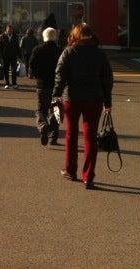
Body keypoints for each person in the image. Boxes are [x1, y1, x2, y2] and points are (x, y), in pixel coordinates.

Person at [53, 23, 114, 190]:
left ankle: (70, 170)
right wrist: (107, 102)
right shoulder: (100, 54)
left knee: (71, 135)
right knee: (90, 137)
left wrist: (55, 94)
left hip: (72, 98)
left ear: (75, 35)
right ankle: (88, 177)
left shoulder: (69, 52)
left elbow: (60, 75)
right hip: (94, 99)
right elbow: (107, 79)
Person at [30, 27, 62, 145]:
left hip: (42, 85)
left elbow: (32, 65)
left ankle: (43, 125)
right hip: (57, 85)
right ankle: (54, 136)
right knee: (56, 110)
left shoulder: (38, 49)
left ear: (44, 37)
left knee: (41, 110)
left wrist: (36, 75)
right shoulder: (60, 51)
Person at [0, 24, 20, 89]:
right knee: (6, 70)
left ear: (12, 30)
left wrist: (19, 55)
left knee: (14, 70)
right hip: (5, 56)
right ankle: (7, 83)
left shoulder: (15, 36)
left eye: (11, 30)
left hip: (13, 55)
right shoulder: (2, 36)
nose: (10, 31)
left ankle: (14, 83)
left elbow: (17, 47)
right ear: (6, 30)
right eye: (8, 30)